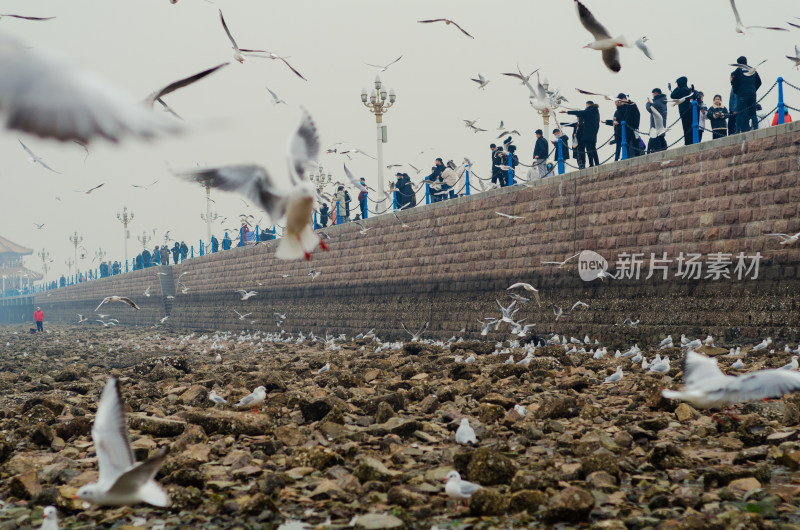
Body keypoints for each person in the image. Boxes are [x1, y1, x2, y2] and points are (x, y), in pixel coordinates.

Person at [565, 100, 600, 167]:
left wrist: (567, 112)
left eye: (586, 105)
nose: (585, 107)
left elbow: (579, 112)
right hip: (593, 135)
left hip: (587, 135)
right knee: (593, 149)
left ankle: (591, 164)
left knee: (589, 150)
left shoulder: (588, 111)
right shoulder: (596, 113)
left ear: (588, 105)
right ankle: (597, 163)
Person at [731, 56, 761, 133]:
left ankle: (740, 130)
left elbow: (734, 83)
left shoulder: (738, 70)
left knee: (741, 112)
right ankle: (756, 127)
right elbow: (759, 82)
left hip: (742, 95)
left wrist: (737, 91)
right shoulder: (752, 69)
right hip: (752, 94)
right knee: (753, 113)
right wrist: (753, 90)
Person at [670, 77, 695, 145]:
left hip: (684, 111)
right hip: (691, 110)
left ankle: (687, 142)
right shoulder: (688, 90)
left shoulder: (680, 90)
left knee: (686, 128)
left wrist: (676, 88)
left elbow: (672, 95)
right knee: (691, 127)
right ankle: (692, 141)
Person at [645, 88, 668, 153]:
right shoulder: (663, 102)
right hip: (661, 125)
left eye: (653, 94)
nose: (653, 95)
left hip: (655, 126)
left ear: (656, 93)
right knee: (660, 140)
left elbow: (649, 109)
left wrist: (648, 103)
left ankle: (648, 152)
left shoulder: (657, 102)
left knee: (654, 142)